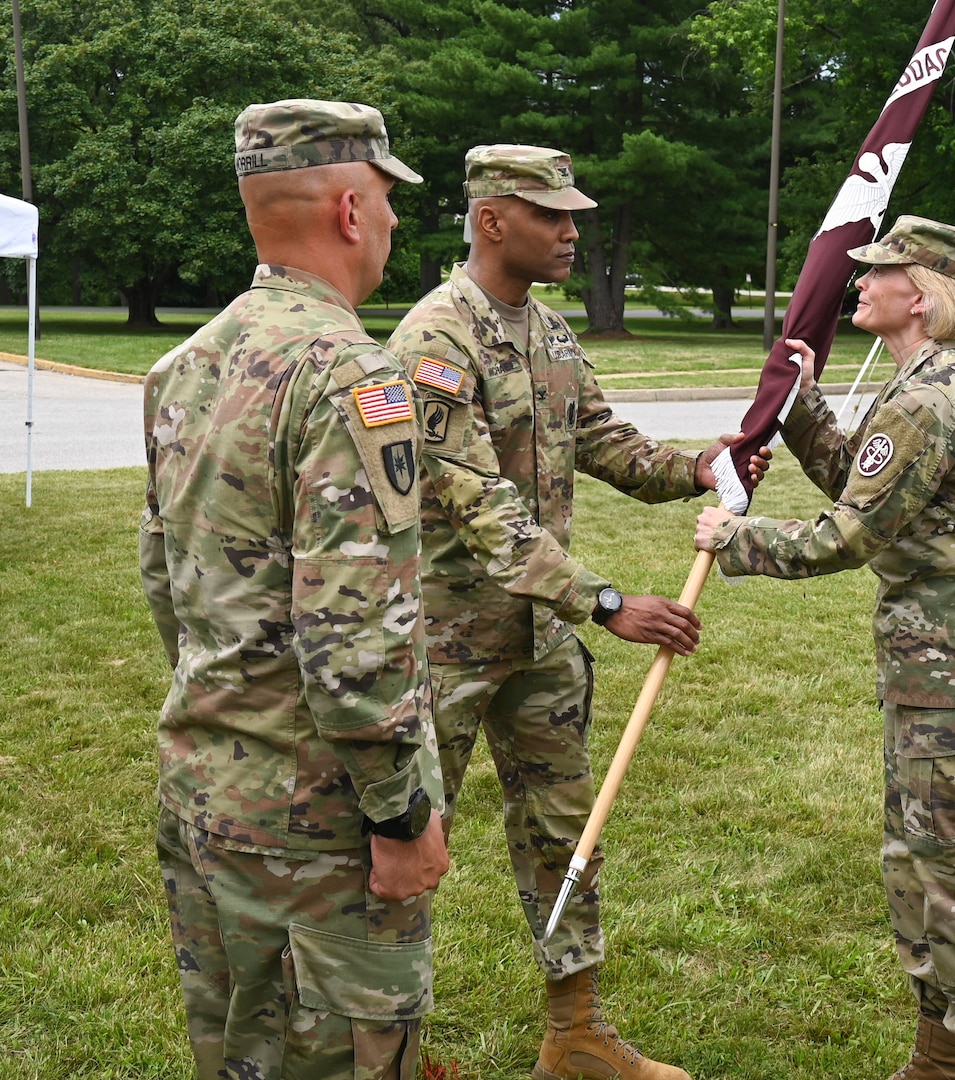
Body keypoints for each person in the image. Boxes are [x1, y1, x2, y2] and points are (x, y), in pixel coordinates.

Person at [386, 144, 767, 1080]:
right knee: (404, 843)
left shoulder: (550, 332)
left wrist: (698, 469)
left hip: (538, 643)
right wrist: (603, 603)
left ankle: (577, 1035)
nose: (570, 231)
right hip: (447, 643)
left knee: (566, 832)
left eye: (573, 215)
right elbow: (477, 505)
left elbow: (602, 440)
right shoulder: (436, 339)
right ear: (490, 220)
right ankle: (384, 1047)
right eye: (551, 214)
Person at [140, 99, 449, 1080]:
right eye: (388, 202)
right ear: (350, 210)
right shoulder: (353, 377)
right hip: (322, 829)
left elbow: (167, 577)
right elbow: (354, 641)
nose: (396, 224)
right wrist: (399, 815)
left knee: (238, 1053)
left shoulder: (184, 365)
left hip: (206, 789)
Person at [694, 215, 955, 1080]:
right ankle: (938, 1056)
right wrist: (803, 408)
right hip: (948, 666)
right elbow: (868, 482)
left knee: (941, 874)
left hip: (952, 673)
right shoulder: (943, 384)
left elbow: (852, 532)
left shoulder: (927, 397)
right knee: (926, 863)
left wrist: (735, 540)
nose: (858, 284)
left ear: (924, 294)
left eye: (878, 273)